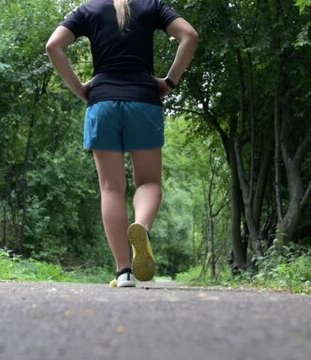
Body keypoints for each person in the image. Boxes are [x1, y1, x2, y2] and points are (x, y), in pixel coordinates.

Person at [46, 0, 198, 287]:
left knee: (111, 188)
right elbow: (189, 35)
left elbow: (53, 45)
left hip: (102, 102)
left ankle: (123, 272)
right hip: (143, 99)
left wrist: (79, 87)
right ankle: (140, 226)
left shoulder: (88, 10)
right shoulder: (152, 6)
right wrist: (170, 81)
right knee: (149, 182)